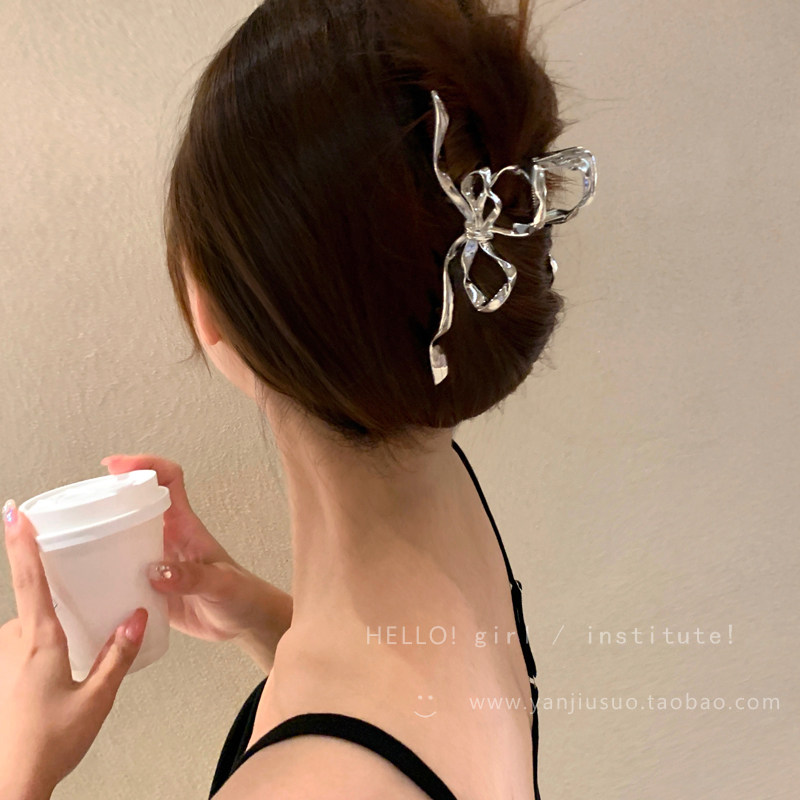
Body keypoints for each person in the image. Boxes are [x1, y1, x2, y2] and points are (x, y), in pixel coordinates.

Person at [109, 0, 596, 797]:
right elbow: (401, 720)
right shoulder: (446, 497)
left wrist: (23, 764)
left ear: (208, 309)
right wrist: (264, 619)